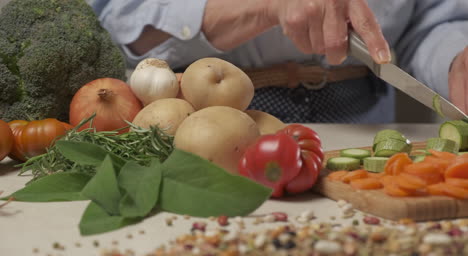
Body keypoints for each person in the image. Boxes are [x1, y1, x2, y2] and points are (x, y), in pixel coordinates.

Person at [86, 0, 468, 124]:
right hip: (199, 131)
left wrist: (458, 58)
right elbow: (115, 18)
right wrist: (265, 7)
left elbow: (433, 20)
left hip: (363, 127)